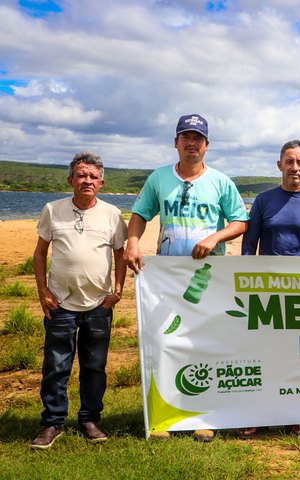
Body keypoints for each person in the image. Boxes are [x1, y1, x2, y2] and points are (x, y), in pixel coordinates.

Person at [124, 114, 249, 442]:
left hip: (207, 275)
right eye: (185, 137)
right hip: (164, 275)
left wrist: (215, 238)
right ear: (176, 143)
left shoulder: (221, 181)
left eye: (198, 138)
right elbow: (139, 215)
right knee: (164, 341)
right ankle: (164, 416)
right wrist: (133, 242)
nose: (191, 143)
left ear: (206, 146)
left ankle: (204, 417)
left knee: (202, 343)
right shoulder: (159, 178)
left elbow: (239, 221)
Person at [31, 151, 128, 449]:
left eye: (93, 176)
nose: (87, 180)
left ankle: (90, 419)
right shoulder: (52, 209)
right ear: (70, 179)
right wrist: (43, 291)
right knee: (56, 365)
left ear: (101, 183)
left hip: (99, 304)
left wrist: (118, 289)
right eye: (82, 175)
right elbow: (40, 253)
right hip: (59, 303)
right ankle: (52, 423)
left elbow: (120, 253)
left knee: (95, 366)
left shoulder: (112, 214)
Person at [239, 139, 300, 437]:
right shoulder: (264, 200)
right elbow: (249, 245)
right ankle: (258, 413)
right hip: (265, 292)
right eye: (289, 161)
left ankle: (295, 414)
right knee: (262, 354)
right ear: (279, 165)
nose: (294, 167)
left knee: (297, 356)